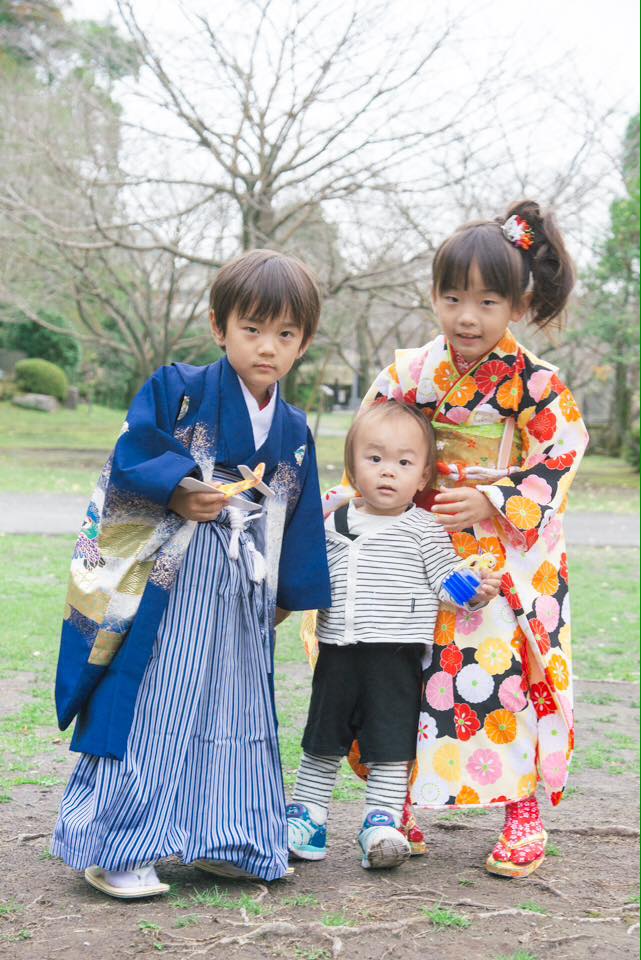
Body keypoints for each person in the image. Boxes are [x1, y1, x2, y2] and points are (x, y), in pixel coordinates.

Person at [51, 249, 331, 897]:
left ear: (304, 342)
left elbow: (304, 514)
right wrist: (178, 488)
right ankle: (118, 848)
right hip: (169, 584)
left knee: (238, 707)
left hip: (244, 589)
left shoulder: (290, 428)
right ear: (218, 326)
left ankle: (227, 838)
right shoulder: (177, 391)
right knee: (157, 703)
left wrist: (290, 592)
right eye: (252, 329)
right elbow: (133, 454)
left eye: (285, 334)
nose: (268, 347)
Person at [324, 200, 589, 878]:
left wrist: (494, 495)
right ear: (434, 296)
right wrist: (389, 492)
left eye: (486, 301)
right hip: (418, 542)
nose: (466, 317)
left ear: (518, 305)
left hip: (500, 554)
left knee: (501, 675)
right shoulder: (411, 372)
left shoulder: (535, 384)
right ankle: (397, 800)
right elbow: (369, 438)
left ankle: (520, 808)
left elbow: (560, 453)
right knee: (404, 669)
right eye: (451, 297)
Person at [287, 400, 502, 869]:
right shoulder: (333, 522)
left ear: (423, 477)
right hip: (338, 652)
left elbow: (447, 580)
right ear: (352, 466)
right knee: (323, 737)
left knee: (389, 744)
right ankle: (306, 818)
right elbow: (309, 576)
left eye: (404, 463)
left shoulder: (423, 527)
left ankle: (381, 825)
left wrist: (476, 591)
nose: (388, 472)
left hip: (396, 655)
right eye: (375, 458)